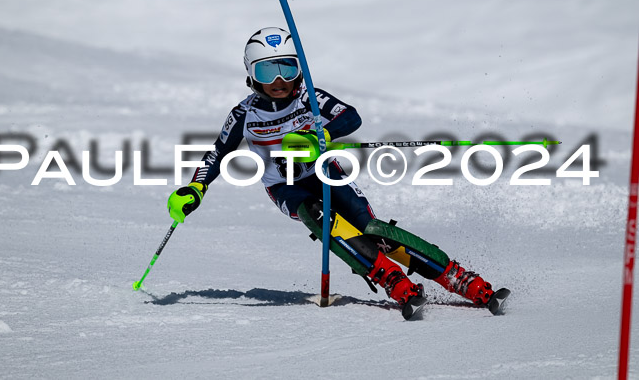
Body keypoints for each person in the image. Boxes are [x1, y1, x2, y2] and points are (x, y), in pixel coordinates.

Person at [167, 27, 509, 320]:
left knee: (373, 231)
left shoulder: (308, 97)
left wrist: (323, 135)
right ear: (251, 74)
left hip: (324, 172)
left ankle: (458, 278)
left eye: (288, 67)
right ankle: (393, 281)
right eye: (268, 72)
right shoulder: (245, 113)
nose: (281, 80)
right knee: (319, 217)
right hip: (285, 187)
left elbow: (350, 116)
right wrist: (195, 188)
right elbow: (218, 152)